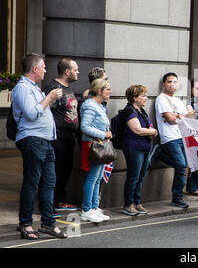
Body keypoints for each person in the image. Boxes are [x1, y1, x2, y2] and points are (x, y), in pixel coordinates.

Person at [12, 53, 67, 239]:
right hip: (32, 140)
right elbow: (31, 113)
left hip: (45, 141)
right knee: (31, 182)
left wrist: (48, 100)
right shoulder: (22, 88)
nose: (45, 70)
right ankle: (25, 223)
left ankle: (48, 223)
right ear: (35, 69)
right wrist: (49, 97)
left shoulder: (35, 88)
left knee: (49, 183)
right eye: (43, 67)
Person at [43, 58, 80, 215]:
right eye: (75, 70)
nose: (78, 72)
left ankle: (60, 199)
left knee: (65, 170)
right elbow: (45, 110)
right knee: (54, 172)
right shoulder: (53, 88)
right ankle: (48, 205)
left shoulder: (68, 88)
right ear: (67, 72)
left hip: (69, 137)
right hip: (57, 138)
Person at [155, 72, 192, 208]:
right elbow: (170, 120)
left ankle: (160, 154)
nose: (172, 84)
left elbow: (186, 117)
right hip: (169, 137)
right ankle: (177, 197)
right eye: (169, 82)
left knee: (183, 166)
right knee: (181, 166)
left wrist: (176, 114)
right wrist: (177, 115)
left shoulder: (177, 100)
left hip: (180, 136)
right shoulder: (161, 99)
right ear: (164, 84)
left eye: (174, 82)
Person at [121, 85, 158, 216]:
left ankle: (137, 202)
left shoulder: (141, 111)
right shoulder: (129, 111)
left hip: (144, 148)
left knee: (141, 176)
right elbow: (137, 129)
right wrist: (152, 132)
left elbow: (147, 126)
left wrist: (149, 131)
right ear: (135, 98)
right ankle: (128, 204)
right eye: (143, 95)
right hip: (134, 148)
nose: (146, 98)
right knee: (133, 176)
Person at [80, 78, 113, 223]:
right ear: (99, 90)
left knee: (98, 178)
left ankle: (94, 208)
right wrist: (103, 134)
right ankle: (86, 210)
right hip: (92, 145)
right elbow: (85, 127)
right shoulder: (90, 105)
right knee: (92, 178)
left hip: (100, 145)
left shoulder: (99, 105)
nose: (110, 91)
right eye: (107, 89)